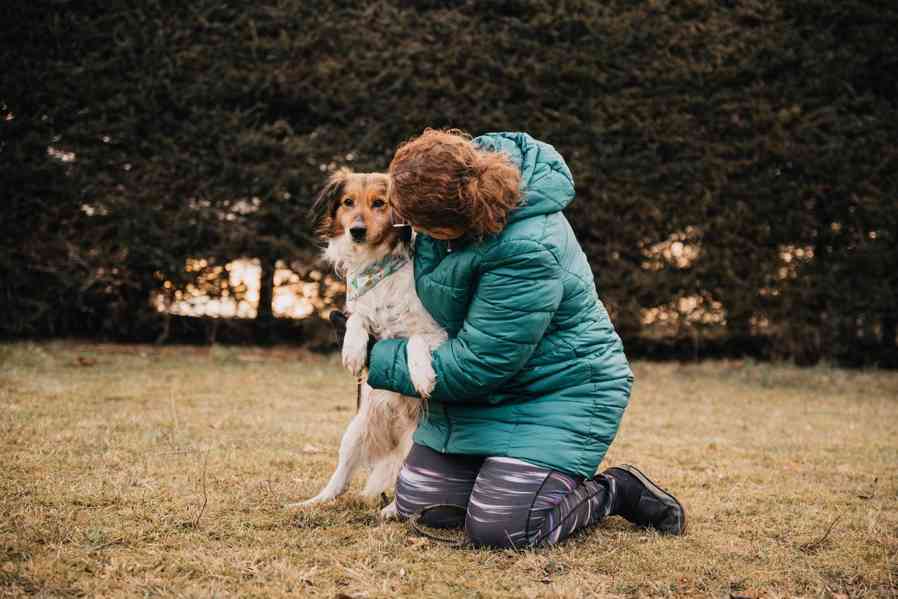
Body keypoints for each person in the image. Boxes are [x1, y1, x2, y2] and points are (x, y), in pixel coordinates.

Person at [334, 129, 685, 548]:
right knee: (423, 507)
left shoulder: (528, 247)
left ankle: (615, 490)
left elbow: (478, 365)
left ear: (452, 220)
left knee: (504, 528)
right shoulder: (444, 213)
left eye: (415, 223)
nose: (403, 229)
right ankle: (502, 473)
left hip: (559, 392)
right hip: (488, 396)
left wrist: (378, 355)